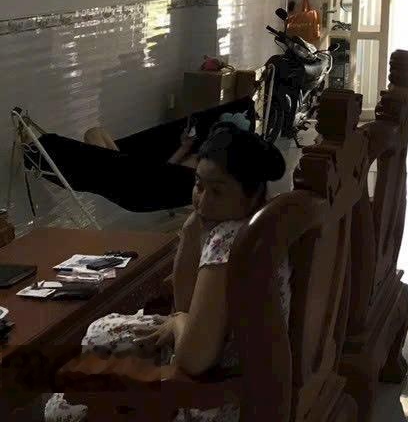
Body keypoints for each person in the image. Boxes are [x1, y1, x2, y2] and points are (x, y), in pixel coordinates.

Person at [46, 120, 288, 422]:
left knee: (61, 407)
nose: (202, 200)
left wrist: (179, 321)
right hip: (246, 378)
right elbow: (186, 303)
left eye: (217, 191)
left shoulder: (227, 242)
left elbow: (194, 359)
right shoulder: (264, 225)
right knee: (103, 339)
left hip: (217, 399)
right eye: (199, 185)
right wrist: (190, 232)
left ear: (251, 195)